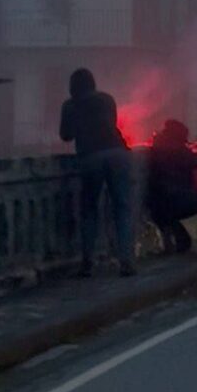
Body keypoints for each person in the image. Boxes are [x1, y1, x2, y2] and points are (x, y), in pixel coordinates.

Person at [59, 68, 136, 276]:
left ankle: (87, 262)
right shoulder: (107, 99)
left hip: (91, 156)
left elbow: (65, 135)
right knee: (122, 208)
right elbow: (112, 122)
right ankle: (126, 260)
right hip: (118, 153)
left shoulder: (70, 105)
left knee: (89, 209)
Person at [147, 119, 197, 254]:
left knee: (184, 243)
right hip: (177, 202)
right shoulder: (177, 151)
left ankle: (179, 240)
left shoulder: (156, 150)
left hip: (158, 207)